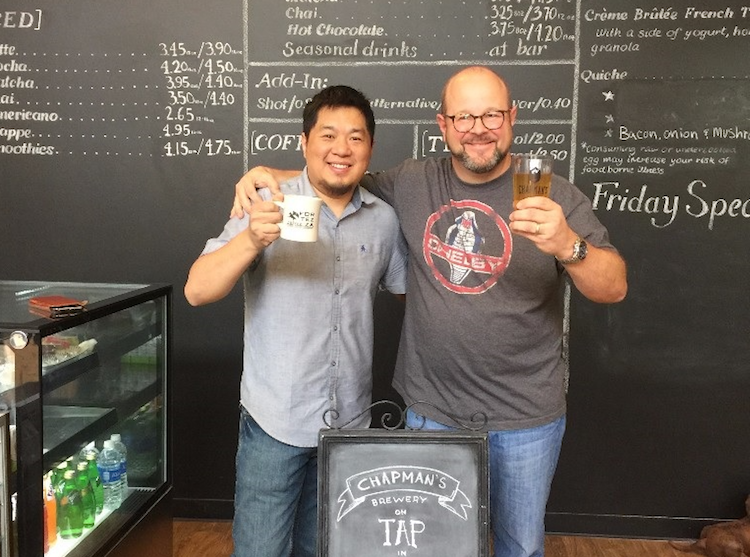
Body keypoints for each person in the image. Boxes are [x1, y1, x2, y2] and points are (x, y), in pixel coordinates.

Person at [230, 66, 628, 557]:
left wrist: (569, 244)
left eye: (490, 114)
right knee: (431, 547)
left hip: (526, 417)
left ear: (512, 118)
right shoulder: (415, 182)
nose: (477, 128)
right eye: (464, 116)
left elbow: (613, 287)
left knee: (520, 547)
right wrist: (267, 176)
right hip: (431, 413)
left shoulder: (551, 192)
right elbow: (340, 176)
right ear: (443, 124)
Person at [185, 85, 408, 557]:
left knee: (326, 548)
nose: (341, 149)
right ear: (304, 143)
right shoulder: (268, 203)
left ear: (370, 149)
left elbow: (412, 293)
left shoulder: (384, 221)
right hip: (275, 423)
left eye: (356, 137)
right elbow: (197, 290)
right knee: (260, 550)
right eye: (328, 135)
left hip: (349, 424)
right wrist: (250, 240)